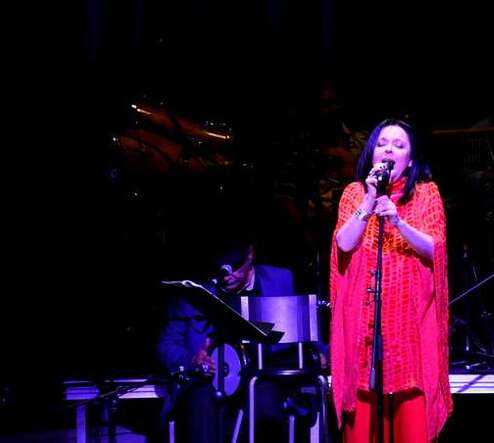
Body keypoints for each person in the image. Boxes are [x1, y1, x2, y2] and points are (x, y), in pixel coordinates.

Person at [329, 119, 453, 442]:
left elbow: (436, 248)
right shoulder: (354, 193)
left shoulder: (426, 194)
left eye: (399, 145)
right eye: (382, 144)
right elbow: (343, 243)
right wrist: (369, 200)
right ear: (372, 153)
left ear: (410, 160)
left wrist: (398, 222)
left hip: (409, 337)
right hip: (363, 336)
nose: (388, 150)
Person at [156, 238, 295, 443]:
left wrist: (321, 353)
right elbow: (166, 346)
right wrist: (192, 359)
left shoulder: (278, 280)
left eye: (235, 267)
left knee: (266, 405)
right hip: (207, 382)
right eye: (221, 269)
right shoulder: (194, 293)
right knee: (201, 403)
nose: (227, 276)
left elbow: (302, 326)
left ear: (250, 254)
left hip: (260, 378)